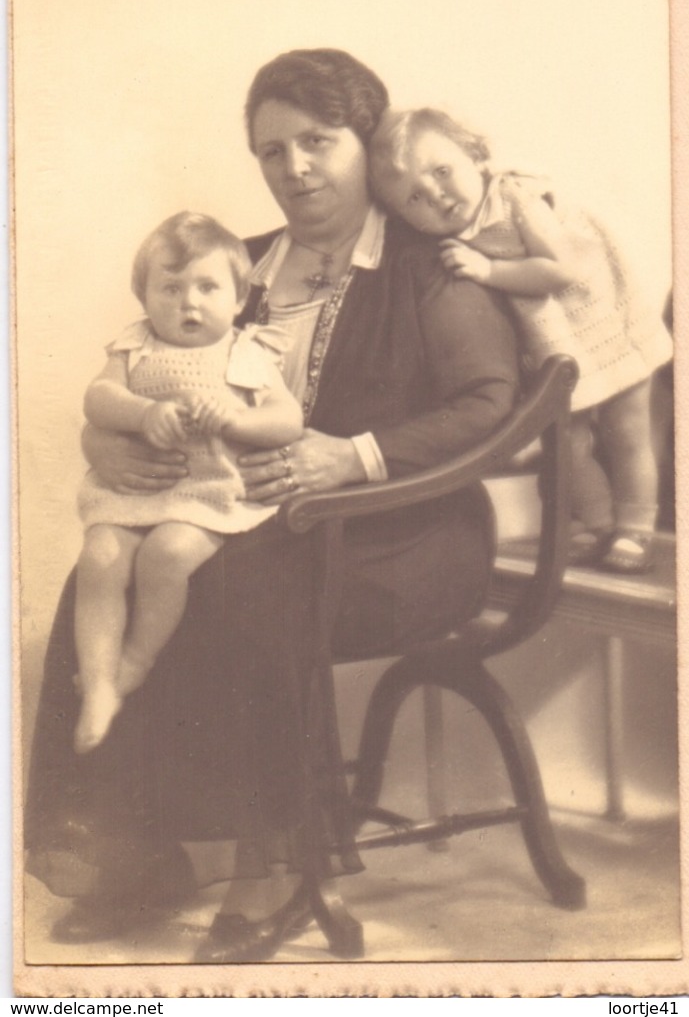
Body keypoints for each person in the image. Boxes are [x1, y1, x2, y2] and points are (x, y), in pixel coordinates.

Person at [25, 50, 519, 963]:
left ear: (367, 143)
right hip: (246, 516)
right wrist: (112, 446)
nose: (292, 169)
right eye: (270, 151)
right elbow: (136, 373)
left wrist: (351, 456)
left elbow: (489, 404)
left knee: (227, 585)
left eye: (316, 143)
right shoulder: (237, 263)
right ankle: (141, 854)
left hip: (404, 532)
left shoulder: (428, 263)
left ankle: (274, 870)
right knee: (106, 570)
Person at [369, 107, 673, 574]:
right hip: (557, 342)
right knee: (567, 445)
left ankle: (637, 527)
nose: (436, 195)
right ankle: (599, 522)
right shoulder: (448, 240)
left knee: (627, 431)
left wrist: (488, 270)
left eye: (442, 171)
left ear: (474, 153)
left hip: (604, 318)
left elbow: (560, 268)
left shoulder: (514, 196)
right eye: (414, 198)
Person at [73, 211, 303, 753]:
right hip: (136, 490)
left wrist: (236, 420)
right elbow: (97, 399)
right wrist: (139, 413)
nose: (189, 303)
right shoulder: (134, 347)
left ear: (239, 298)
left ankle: (135, 660)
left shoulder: (247, 352)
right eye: (170, 288)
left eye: (206, 287)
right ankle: (99, 683)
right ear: (145, 297)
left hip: (210, 495)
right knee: (100, 557)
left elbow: (287, 418)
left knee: (167, 555)